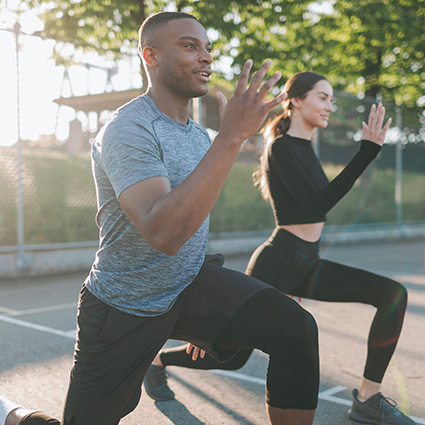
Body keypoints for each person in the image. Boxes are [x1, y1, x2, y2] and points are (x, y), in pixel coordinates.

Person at [0, 12, 321, 425]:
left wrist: (211, 314)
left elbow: (192, 220)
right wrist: (231, 137)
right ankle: (15, 415)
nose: (205, 57)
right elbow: (164, 232)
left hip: (188, 285)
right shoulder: (127, 129)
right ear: (150, 56)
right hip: (124, 305)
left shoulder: (195, 134)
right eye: (190, 46)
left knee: (295, 329)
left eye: (207, 48)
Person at [145, 71, 415, 425]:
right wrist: (366, 152)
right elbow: (317, 205)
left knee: (392, 294)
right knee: (227, 354)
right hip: (280, 261)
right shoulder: (282, 147)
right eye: (322, 97)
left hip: (308, 262)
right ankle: (157, 361)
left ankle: (367, 398)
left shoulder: (305, 148)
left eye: (332, 99)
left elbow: (318, 205)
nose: (329, 106)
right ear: (296, 100)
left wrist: (367, 152)